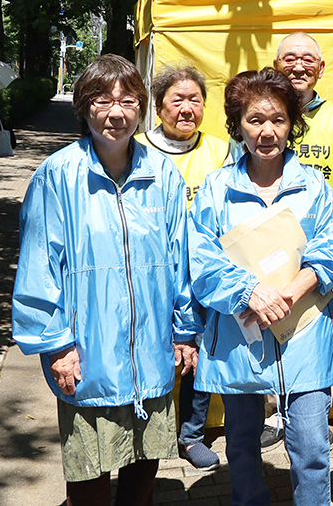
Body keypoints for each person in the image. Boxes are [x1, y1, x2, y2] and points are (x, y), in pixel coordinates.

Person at [12, 54, 199, 505]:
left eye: (128, 101)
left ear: (141, 108)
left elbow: (182, 259)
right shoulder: (57, 177)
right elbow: (39, 267)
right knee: (88, 474)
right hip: (86, 354)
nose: (115, 112)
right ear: (84, 107)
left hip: (152, 352)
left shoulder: (163, 176)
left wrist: (184, 329)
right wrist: (56, 345)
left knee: (143, 468)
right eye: (101, 100)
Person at [187, 68, 333, 506]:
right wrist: (248, 292)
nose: (267, 131)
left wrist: (295, 288)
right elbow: (201, 258)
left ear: (292, 124)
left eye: (278, 120)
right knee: (241, 443)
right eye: (255, 120)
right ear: (237, 124)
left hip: (305, 332)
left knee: (312, 446)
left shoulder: (313, 185)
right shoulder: (217, 188)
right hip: (242, 333)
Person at [135, 64, 231, 470]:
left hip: (206, 271)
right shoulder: (137, 149)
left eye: (195, 99)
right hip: (151, 273)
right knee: (152, 350)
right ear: (159, 108)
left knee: (199, 354)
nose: (187, 108)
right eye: (178, 100)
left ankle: (190, 434)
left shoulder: (221, 149)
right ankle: (145, 432)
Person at [271, 32, 333, 445]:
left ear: (321, 68)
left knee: (318, 335)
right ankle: (273, 413)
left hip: (326, 259)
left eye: (307, 59)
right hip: (271, 256)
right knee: (273, 330)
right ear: (276, 67)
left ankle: (312, 416)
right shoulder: (260, 114)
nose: (298, 66)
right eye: (289, 59)